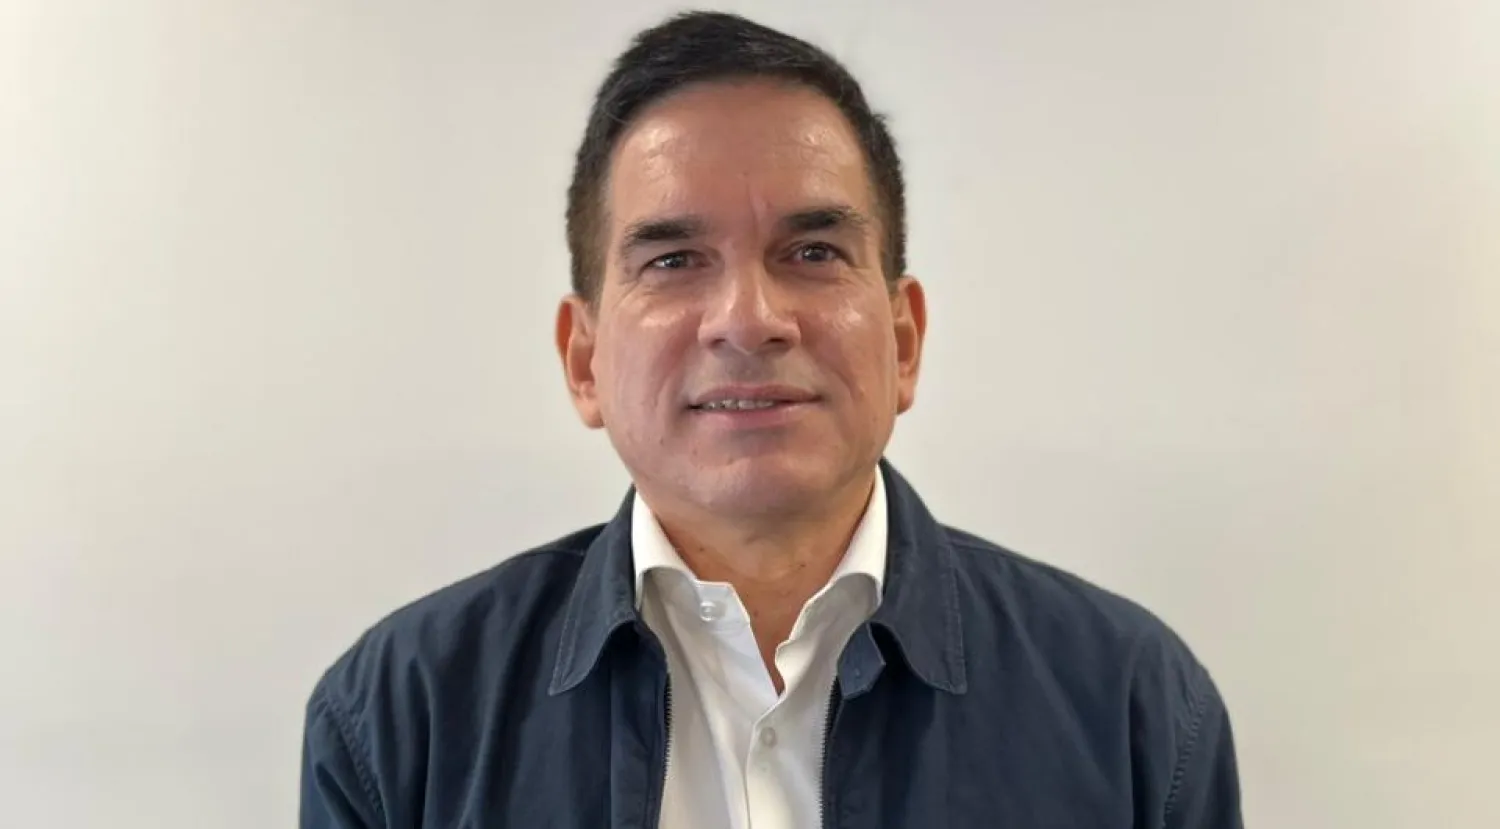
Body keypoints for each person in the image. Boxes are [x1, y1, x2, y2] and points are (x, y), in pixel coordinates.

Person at [299, 10, 1243, 828]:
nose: (749, 320)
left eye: (813, 251)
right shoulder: (403, 719)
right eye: (673, 261)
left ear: (904, 339)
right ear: (584, 360)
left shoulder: (1129, 707)